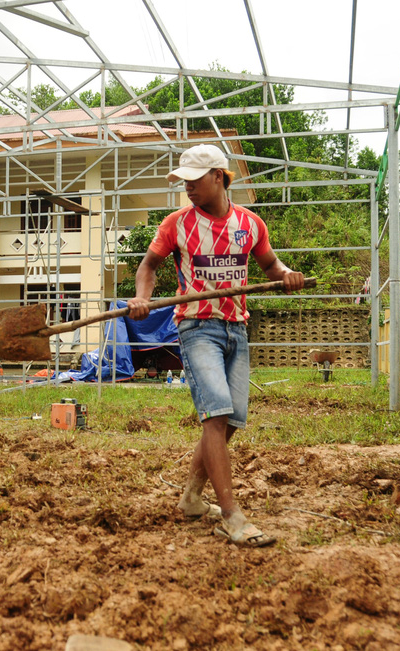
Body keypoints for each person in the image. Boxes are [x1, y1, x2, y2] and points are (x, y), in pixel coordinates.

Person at [127, 144, 304, 547]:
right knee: (216, 414)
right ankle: (231, 515)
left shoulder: (250, 223)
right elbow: (148, 266)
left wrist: (288, 274)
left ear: (220, 177)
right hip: (195, 328)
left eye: (194, 180)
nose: (187, 187)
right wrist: (141, 297)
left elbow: (271, 266)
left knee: (229, 421)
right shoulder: (176, 224)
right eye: (183, 181)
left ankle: (191, 498)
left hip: (236, 330)